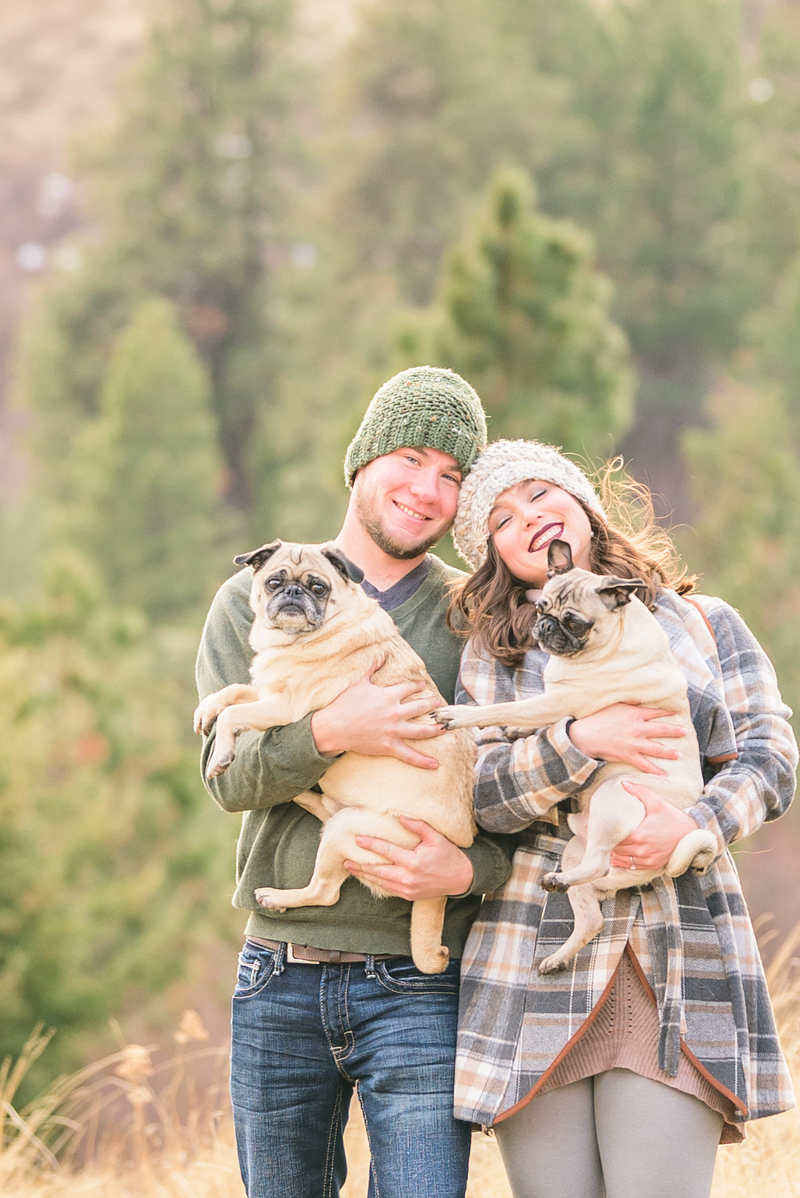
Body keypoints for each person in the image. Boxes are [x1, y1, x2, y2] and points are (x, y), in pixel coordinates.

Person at [445, 439, 797, 1198]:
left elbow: (771, 755)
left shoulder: (705, 623)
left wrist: (697, 820)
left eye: (540, 496)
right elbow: (480, 799)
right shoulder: (493, 658)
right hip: (532, 964)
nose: (527, 519)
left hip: (677, 956)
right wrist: (575, 744)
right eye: (502, 519)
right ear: (496, 557)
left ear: (582, 507)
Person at [195, 366, 514, 1198]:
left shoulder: (474, 615)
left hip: (421, 983)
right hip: (279, 973)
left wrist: (469, 872)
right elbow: (229, 782)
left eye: (452, 475)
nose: (427, 489)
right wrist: (335, 731)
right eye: (411, 458)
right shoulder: (247, 600)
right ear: (362, 461)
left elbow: (524, 800)